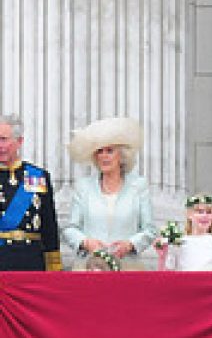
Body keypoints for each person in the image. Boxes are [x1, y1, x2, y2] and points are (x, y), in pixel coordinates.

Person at [62, 116, 157, 269]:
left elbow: (150, 229)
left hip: (127, 268)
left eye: (109, 151)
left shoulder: (139, 186)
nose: (104, 156)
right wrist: (86, 242)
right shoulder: (83, 187)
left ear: (121, 155)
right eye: (99, 151)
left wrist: (130, 244)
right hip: (89, 268)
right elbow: (70, 229)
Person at [0, 114, 62, 271]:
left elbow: (49, 224)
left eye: (3, 139)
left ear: (19, 141)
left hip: (30, 260)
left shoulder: (37, 176)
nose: (0, 145)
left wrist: (53, 266)